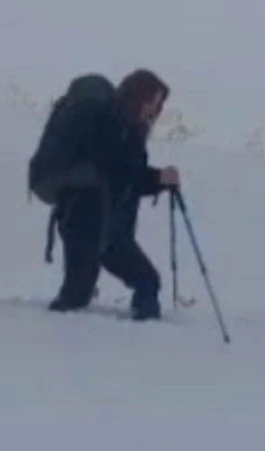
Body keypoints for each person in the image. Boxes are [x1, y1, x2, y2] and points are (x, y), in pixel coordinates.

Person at [47, 68, 180, 320]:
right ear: (140, 96)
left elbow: (126, 178)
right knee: (145, 281)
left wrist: (159, 181)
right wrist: (159, 178)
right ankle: (145, 343)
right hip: (95, 224)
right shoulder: (114, 125)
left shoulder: (122, 127)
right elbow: (121, 174)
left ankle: (57, 339)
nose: (157, 109)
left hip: (87, 222)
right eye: (155, 101)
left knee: (77, 294)